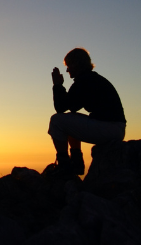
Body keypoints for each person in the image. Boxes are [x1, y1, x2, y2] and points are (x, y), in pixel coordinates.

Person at [46, 48, 126, 177]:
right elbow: (71, 107)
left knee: (56, 121)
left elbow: (61, 107)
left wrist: (57, 85)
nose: (67, 70)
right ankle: (76, 162)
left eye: (69, 65)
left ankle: (64, 165)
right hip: (115, 128)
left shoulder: (85, 81)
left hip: (109, 129)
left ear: (77, 63)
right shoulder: (91, 79)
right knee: (70, 119)